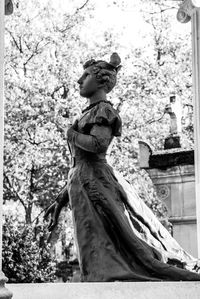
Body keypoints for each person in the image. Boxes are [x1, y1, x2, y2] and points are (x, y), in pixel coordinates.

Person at [45, 53, 200, 282]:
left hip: (95, 182)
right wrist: (61, 198)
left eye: (85, 76)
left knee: (123, 240)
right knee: (93, 242)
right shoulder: (88, 113)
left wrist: (72, 135)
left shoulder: (103, 111)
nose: (79, 80)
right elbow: (78, 162)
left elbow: (99, 145)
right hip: (81, 183)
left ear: (101, 81)